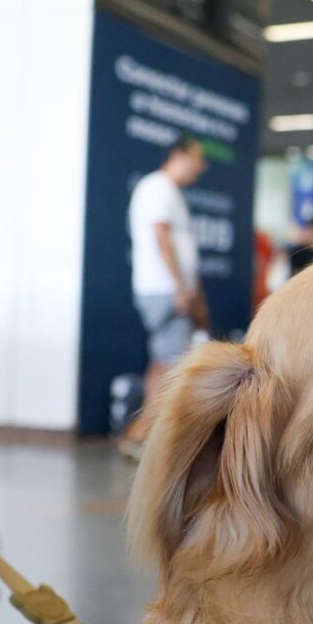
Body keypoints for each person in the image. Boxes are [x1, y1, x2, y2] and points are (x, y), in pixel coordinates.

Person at [121, 135, 209, 459]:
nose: (202, 167)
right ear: (179, 155)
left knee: (162, 364)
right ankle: (142, 436)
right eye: (197, 158)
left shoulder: (170, 193)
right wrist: (179, 288)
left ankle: (141, 436)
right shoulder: (156, 188)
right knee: (171, 366)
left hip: (171, 290)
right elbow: (161, 239)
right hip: (164, 291)